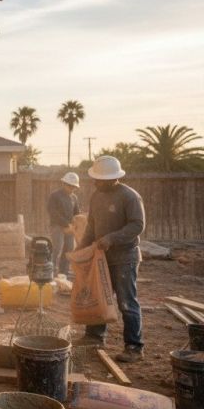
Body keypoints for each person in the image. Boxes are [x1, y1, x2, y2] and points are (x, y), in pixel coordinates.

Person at [77, 155, 146, 363]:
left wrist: (111, 238)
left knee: (126, 302)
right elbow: (91, 225)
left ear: (113, 178)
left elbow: (137, 225)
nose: (95, 182)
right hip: (102, 257)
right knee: (98, 297)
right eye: (95, 178)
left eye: (99, 179)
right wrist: (81, 247)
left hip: (125, 257)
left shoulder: (130, 197)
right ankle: (94, 336)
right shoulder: (96, 196)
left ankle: (134, 346)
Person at [47, 172, 80, 276]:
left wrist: (76, 223)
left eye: (73, 186)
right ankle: (50, 271)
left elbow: (76, 213)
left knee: (69, 250)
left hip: (69, 228)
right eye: (69, 185)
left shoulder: (74, 198)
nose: (71, 188)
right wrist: (66, 223)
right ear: (64, 183)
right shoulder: (55, 195)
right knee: (57, 248)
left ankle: (63, 272)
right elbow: (53, 212)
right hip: (57, 226)